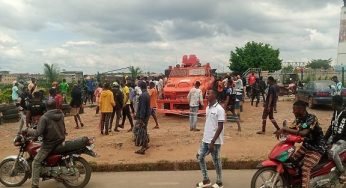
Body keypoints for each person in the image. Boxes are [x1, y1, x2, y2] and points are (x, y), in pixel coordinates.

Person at [276, 100, 327, 188]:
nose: (293, 111)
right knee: (291, 160)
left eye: (294, 109)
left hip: (317, 148)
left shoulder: (312, 118)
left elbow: (304, 132)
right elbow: (291, 128)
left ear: (301, 110)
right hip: (306, 146)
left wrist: (285, 129)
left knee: (305, 168)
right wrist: (282, 130)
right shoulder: (298, 119)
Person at [24, 99, 66, 188]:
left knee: (35, 162)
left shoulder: (44, 117)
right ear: (55, 106)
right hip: (61, 139)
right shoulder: (61, 113)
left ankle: (34, 185)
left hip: (50, 144)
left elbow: (37, 133)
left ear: (46, 107)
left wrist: (27, 130)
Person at [196, 90, 225, 188]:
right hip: (205, 139)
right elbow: (209, 124)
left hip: (214, 141)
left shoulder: (220, 109)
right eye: (206, 93)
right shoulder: (208, 108)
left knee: (216, 161)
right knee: (199, 157)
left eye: (208, 93)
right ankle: (206, 180)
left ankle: (219, 182)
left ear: (214, 95)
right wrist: (205, 138)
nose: (206, 95)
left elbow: (220, 127)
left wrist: (212, 142)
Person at [325, 95, 346, 181]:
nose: (331, 103)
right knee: (321, 146)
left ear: (336, 103)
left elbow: (340, 131)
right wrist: (324, 138)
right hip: (335, 136)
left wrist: (331, 142)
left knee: (332, 152)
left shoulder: (344, 114)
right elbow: (332, 126)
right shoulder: (336, 111)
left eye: (332, 102)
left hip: (343, 139)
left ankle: (342, 171)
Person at [134, 81, 151, 155]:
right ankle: (145, 145)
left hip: (143, 116)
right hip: (146, 115)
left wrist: (141, 118)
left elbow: (142, 108)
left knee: (141, 131)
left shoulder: (143, 96)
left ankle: (143, 148)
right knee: (143, 130)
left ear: (140, 87)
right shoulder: (146, 94)